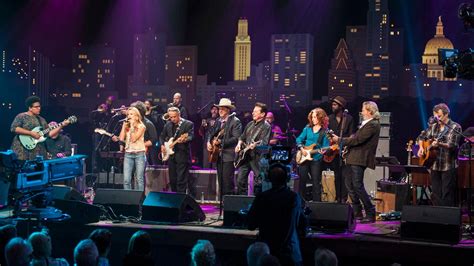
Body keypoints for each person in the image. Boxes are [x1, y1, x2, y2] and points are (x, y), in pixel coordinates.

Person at [331, 101, 381, 223]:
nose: (362, 112)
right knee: (350, 185)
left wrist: (340, 140)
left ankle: (370, 212)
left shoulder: (373, 124)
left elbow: (358, 140)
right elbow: (355, 139)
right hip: (353, 157)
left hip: (360, 158)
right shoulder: (366, 124)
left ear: (370, 111)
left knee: (357, 185)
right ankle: (357, 212)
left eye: (363, 110)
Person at [248, 163, 305, 266]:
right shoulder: (294, 197)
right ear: (287, 179)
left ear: (269, 179)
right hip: (290, 254)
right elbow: (302, 224)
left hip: (267, 254)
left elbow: (251, 225)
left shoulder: (261, 197)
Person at [417, 103, 462, 207]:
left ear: (446, 114)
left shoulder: (455, 127)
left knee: (447, 193)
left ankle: (447, 219)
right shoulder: (433, 127)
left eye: (439, 116)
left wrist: (439, 144)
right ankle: (438, 217)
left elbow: (452, 145)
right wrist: (421, 147)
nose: (437, 119)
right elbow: (421, 137)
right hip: (434, 164)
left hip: (448, 165)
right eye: (436, 116)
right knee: (436, 193)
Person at [10, 96, 70, 160]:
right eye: (36, 107)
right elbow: (14, 128)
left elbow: (49, 134)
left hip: (36, 152)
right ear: (30, 108)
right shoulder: (21, 116)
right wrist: (31, 133)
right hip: (21, 149)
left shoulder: (42, 120)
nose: (39, 108)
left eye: (39, 106)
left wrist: (62, 125)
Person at [207, 98, 242, 195]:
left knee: (227, 183)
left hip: (228, 156)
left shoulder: (235, 121)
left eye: (222, 108)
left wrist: (221, 142)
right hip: (219, 156)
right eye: (219, 109)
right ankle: (223, 205)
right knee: (221, 182)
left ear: (228, 110)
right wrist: (209, 142)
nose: (220, 111)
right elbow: (211, 133)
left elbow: (236, 138)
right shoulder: (218, 121)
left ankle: (229, 206)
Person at [235, 102, 272, 195]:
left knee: (258, 183)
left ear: (263, 114)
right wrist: (239, 144)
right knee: (240, 180)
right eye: (253, 111)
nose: (252, 113)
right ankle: (242, 204)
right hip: (245, 157)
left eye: (255, 111)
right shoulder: (250, 124)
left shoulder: (266, 126)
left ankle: (257, 204)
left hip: (257, 158)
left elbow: (264, 143)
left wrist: (255, 145)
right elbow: (242, 137)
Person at [296, 108, 330, 202]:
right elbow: (299, 139)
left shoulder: (325, 131)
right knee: (302, 181)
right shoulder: (307, 128)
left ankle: (316, 203)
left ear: (320, 117)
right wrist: (301, 148)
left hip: (316, 159)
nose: (313, 119)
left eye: (315, 117)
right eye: (312, 117)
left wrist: (324, 151)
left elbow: (326, 146)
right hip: (304, 157)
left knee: (316, 182)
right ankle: (301, 202)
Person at [326, 96, 355, 203]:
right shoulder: (329, 118)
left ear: (341, 106)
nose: (332, 106)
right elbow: (327, 134)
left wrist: (344, 145)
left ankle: (344, 198)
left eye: (335, 105)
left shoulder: (349, 119)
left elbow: (352, 136)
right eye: (332, 104)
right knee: (336, 176)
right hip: (334, 152)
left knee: (345, 177)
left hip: (345, 152)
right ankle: (338, 198)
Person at [160, 107, 195, 195]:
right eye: (171, 117)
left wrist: (184, 140)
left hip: (182, 155)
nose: (172, 119)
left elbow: (191, 137)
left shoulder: (188, 124)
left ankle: (180, 201)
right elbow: (162, 136)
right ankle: (174, 200)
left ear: (179, 115)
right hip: (171, 156)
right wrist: (162, 145)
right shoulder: (168, 124)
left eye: (174, 117)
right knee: (172, 180)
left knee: (181, 181)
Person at [119, 107, 147, 191]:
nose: (129, 116)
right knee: (126, 180)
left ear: (137, 116)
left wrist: (131, 127)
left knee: (139, 179)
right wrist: (124, 127)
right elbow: (121, 138)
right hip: (128, 154)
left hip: (139, 154)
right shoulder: (127, 125)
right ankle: (128, 200)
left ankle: (139, 200)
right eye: (128, 114)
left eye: (131, 114)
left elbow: (134, 139)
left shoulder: (142, 126)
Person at [144, 100, 164, 165]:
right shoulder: (142, 115)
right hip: (145, 140)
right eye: (145, 104)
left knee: (154, 160)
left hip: (154, 140)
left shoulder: (155, 114)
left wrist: (150, 113)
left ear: (151, 106)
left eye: (148, 104)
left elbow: (156, 124)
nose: (146, 105)